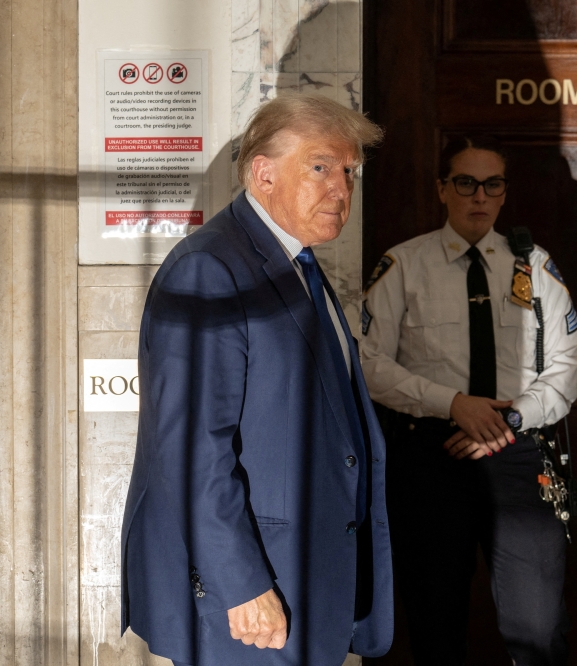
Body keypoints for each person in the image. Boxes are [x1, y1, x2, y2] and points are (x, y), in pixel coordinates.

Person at [119, 93, 393, 666]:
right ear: (262, 173)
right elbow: (192, 450)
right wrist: (241, 583)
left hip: (306, 585)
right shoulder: (211, 268)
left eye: (350, 171)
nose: (341, 189)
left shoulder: (299, 265)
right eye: (320, 166)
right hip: (248, 601)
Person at [359, 135, 577, 665]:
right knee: (434, 620)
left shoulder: (536, 267)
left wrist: (509, 419)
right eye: (465, 183)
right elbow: (368, 364)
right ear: (442, 189)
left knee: (540, 624)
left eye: (492, 184)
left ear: (505, 193)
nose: (479, 196)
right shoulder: (404, 266)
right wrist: (453, 403)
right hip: (434, 455)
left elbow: (567, 368)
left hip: (519, 451)